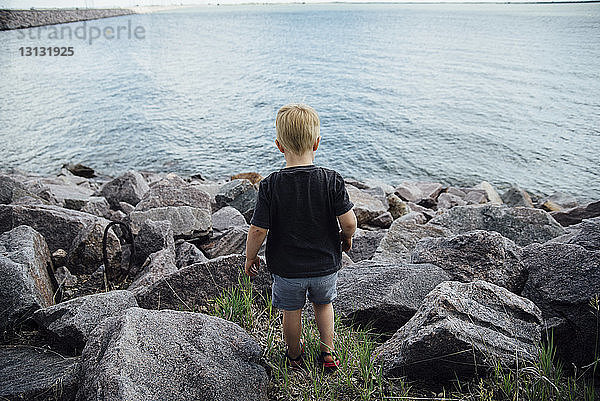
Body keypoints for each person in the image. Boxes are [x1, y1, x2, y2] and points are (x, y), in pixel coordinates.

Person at [244, 103, 357, 370]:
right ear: (317, 143)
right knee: (324, 306)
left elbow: (259, 229)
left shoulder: (270, 184)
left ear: (279, 145)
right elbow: (349, 222)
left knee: (291, 312)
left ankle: (294, 356)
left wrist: (250, 257)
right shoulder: (332, 180)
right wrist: (347, 238)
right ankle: (328, 354)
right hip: (324, 266)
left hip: (287, 270)